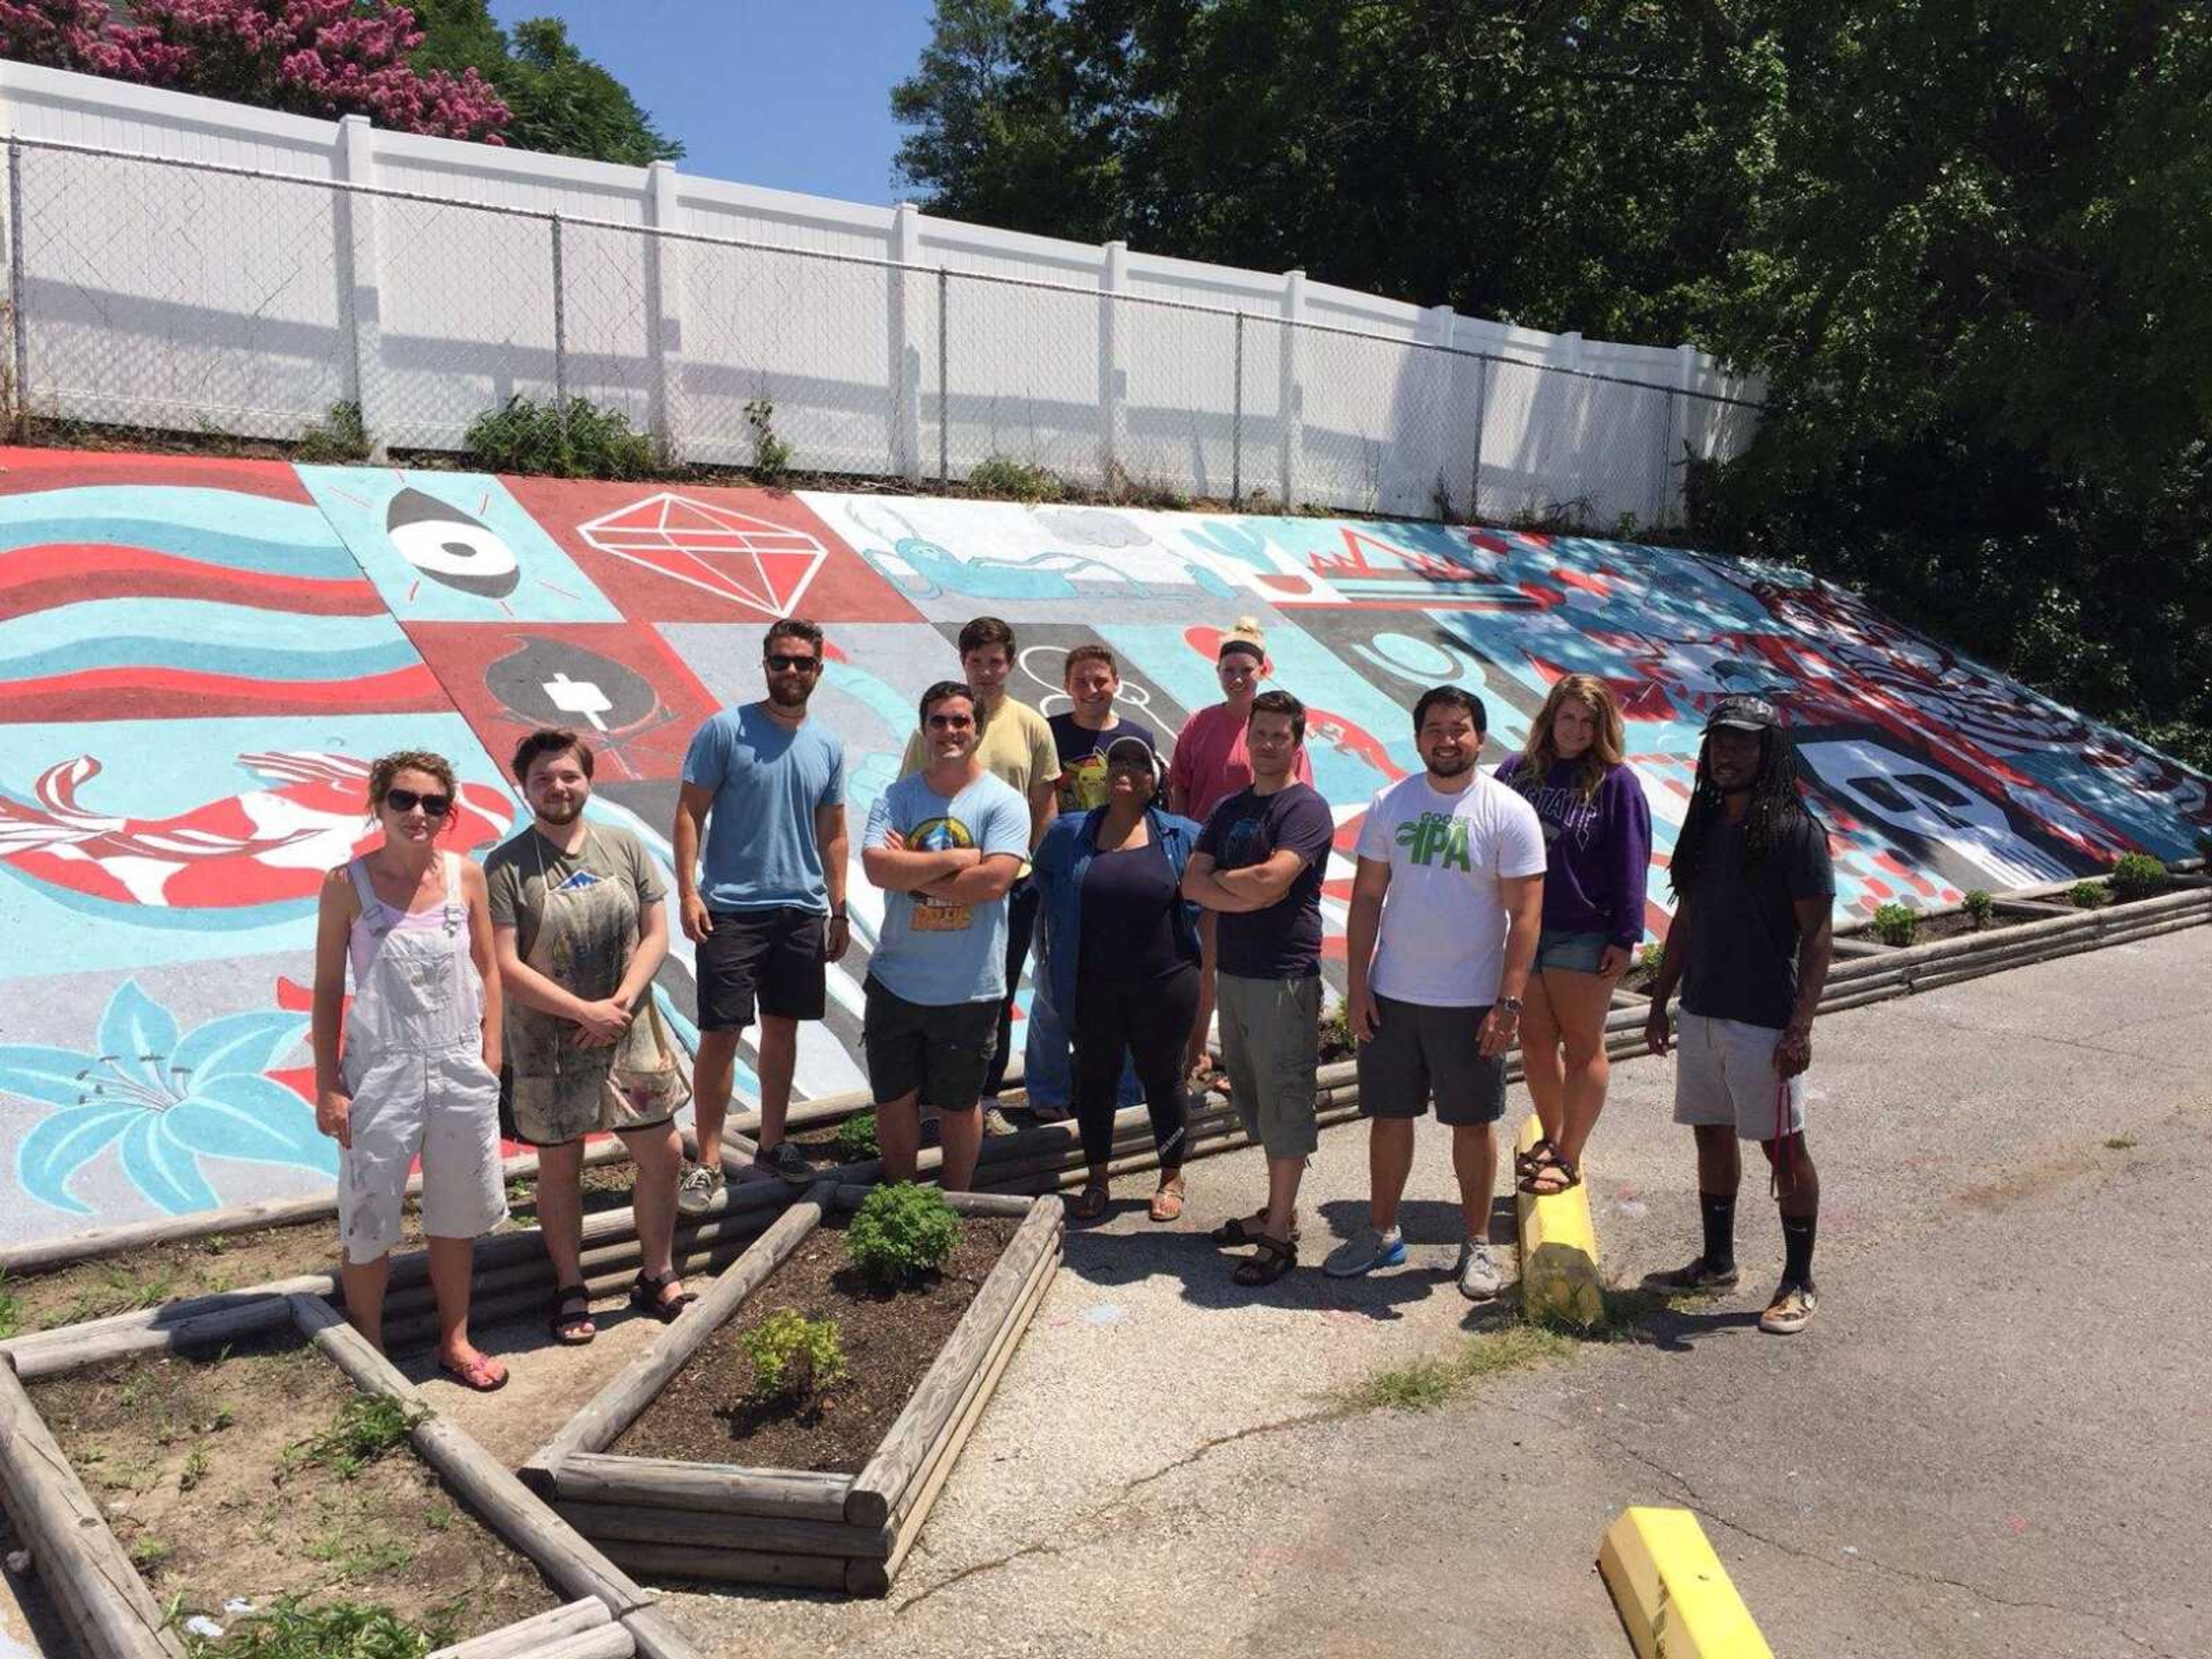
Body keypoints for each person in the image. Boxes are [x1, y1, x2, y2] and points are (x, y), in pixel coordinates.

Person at [1325, 688, 1546, 1298]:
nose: (1447, 740)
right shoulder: (1391, 803)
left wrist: (1509, 1001)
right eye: (1434, 729)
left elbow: (1526, 915)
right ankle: (1381, 1232)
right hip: (1395, 996)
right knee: (1389, 1118)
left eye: (1460, 728)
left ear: (1480, 737)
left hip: (1473, 1001)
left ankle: (1476, 1244)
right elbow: (1367, 897)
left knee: (1472, 1124)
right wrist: (1360, 985)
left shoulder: (1507, 811)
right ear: (1417, 736)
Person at [486, 728, 693, 1343]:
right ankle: (571, 1286)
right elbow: (505, 964)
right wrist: (582, 1011)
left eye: (568, 775)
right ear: (525, 788)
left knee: (665, 1153)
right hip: (548, 1044)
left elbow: (656, 934)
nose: (558, 787)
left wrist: (619, 1004)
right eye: (543, 778)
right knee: (561, 1167)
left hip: (630, 1031)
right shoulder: (505, 867)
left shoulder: (625, 847)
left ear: (588, 780)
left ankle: (656, 1270)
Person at [310, 750, 509, 1390]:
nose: (417, 813)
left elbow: (488, 970)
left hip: (458, 1064)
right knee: (369, 1215)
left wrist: (491, 1054)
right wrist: (328, 1086)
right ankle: (370, 1351)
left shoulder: (467, 878)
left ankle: (455, 1340)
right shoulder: (347, 886)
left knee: (455, 1212)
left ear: (449, 813)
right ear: (378, 804)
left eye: (433, 802)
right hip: (380, 1072)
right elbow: (323, 990)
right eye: (403, 799)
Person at [1642, 695, 1834, 1335]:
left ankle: (1799, 1280)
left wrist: (1801, 1025)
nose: (1726, 753)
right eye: (1719, 742)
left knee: (1783, 1150)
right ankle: (1718, 1261)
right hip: (1702, 1011)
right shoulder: (1704, 822)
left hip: (1763, 1021)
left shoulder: (1796, 831)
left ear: (1769, 752)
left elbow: (1819, 937)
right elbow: (1688, 918)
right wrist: (1660, 998)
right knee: (1711, 1133)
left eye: (1743, 743)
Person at [673, 618, 849, 1205]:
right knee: (720, 1033)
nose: (791, 671)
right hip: (731, 910)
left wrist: (839, 906)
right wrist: (689, 893)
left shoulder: (828, 744)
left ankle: (774, 1142)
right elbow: (689, 814)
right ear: (765, 664)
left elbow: (835, 833)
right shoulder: (726, 730)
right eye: (781, 661)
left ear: (819, 670)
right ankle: (708, 1158)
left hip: (801, 909)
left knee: (782, 1030)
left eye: (803, 662)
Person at [1181, 690, 1335, 1286]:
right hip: (1236, 974)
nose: (1268, 745)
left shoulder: (1306, 809)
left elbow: (1277, 881)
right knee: (1248, 1095)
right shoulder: (1229, 807)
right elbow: (1192, 883)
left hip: (1284, 977)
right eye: (1260, 734)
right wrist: (1234, 885)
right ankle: (1281, 1210)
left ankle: (1278, 1239)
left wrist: (1225, 881)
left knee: (1284, 1098)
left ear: (1297, 741)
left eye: (1280, 735)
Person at [864, 681, 1032, 1190]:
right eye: (938, 721)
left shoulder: (1003, 803)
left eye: (960, 721)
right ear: (924, 729)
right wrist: (959, 859)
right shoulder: (898, 796)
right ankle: (899, 1199)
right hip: (897, 981)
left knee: (960, 1106)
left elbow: (996, 881)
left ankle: (957, 1201)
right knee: (895, 1102)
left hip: (969, 987)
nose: (949, 731)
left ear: (978, 729)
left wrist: (911, 868)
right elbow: (875, 867)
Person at [1031, 733, 1203, 1224]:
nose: (1126, 768)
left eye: (1139, 762)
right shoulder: (1070, 833)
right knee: (1095, 1078)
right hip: (1092, 984)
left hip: (1166, 983)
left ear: (1156, 781)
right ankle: (1097, 1175)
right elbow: (1045, 878)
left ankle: (1171, 1174)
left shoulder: (1182, 835)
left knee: (1163, 1078)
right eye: (1118, 760)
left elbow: (1200, 897)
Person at [1496, 673, 1653, 1196]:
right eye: (1568, 717)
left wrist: (1625, 935)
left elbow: (1632, 861)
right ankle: (1555, 1134)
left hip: (1584, 932)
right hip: (1523, 930)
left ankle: (1569, 1154)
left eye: (1590, 721)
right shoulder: (1516, 773)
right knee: (1536, 1043)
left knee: (1583, 1046)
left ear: (1603, 727)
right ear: (1550, 717)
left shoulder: (1616, 782)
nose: (1577, 730)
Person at [900, 618, 1059, 1109]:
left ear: (1010, 664)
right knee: (939, 978)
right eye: (976, 661)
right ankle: (930, 1097)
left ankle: (984, 1099)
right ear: (963, 663)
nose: (986, 672)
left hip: (1012, 884)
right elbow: (907, 796)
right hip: (941, 879)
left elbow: (1044, 804)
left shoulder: (1031, 724)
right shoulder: (936, 726)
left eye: (995, 662)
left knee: (997, 987)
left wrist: (1023, 865)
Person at [1168, 618, 1314, 1086]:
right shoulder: (1201, 723)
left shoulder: (1277, 730)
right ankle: (1196, 1053)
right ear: (1218, 671)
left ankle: (1244, 1060)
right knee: (1207, 964)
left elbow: (1298, 794)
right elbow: (1181, 786)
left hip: (1257, 869)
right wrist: (1188, 847)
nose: (1237, 677)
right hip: (1206, 862)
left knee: (1246, 967)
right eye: (1229, 668)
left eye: (1245, 669)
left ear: (1262, 670)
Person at [1024, 645, 1156, 1122]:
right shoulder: (1050, 733)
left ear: (1116, 682)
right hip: (1065, 876)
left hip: (1122, 877)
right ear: (1066, 686)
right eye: (1081, 681)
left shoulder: (1137, 737)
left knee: (1124, 987)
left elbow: (1150, 803)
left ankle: (1123, 1092)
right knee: (1055, 989)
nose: (1092, 689)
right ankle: (1047, 1091)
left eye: (1100, 680)